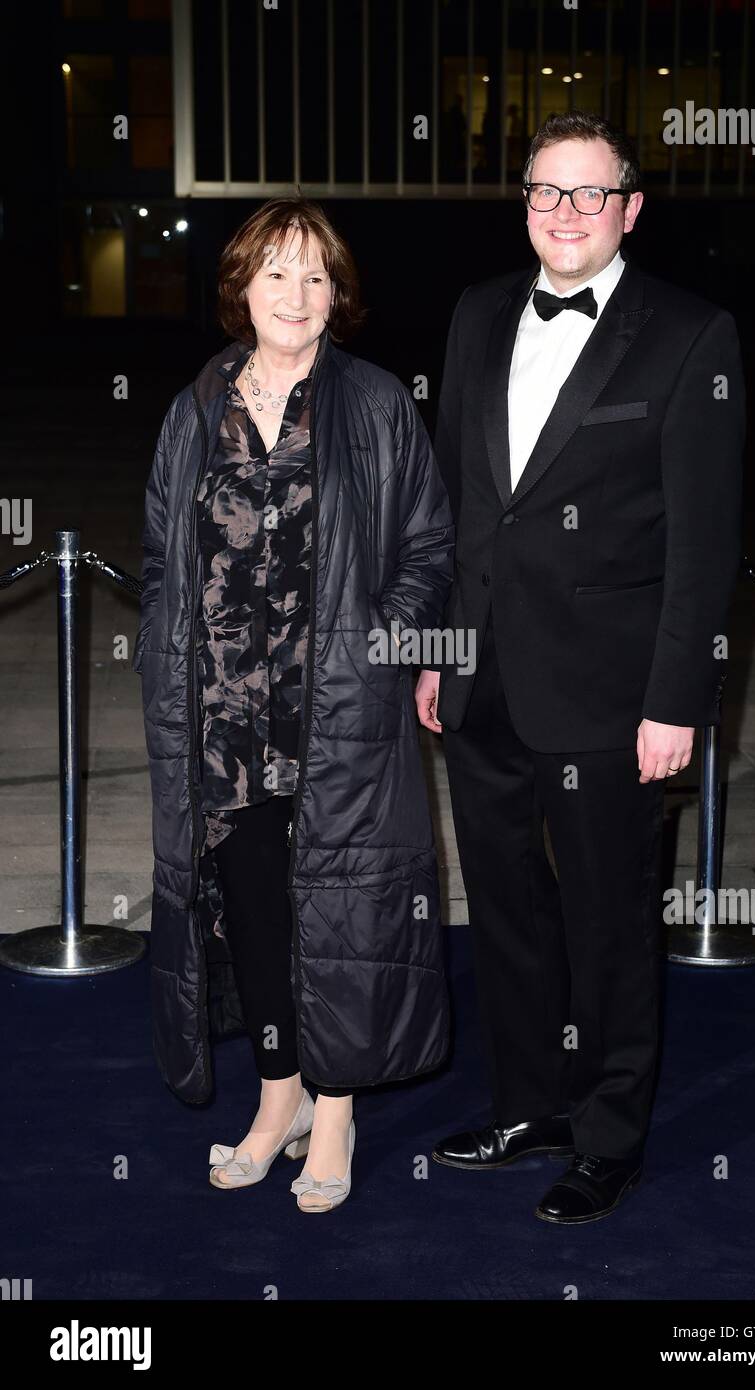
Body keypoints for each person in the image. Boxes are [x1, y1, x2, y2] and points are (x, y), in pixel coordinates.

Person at [416, 111, 744, 1224]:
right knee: (505, 909)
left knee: (609, 924)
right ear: (522, 204)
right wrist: (440, 652)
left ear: (629, 209)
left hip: (612, 697)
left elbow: (704, 547)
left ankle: (606, 1137)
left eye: (587, 194)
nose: (563, 213)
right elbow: (460, 507)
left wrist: (675, 702)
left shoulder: (690, 337)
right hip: (485, 682)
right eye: (544, 192)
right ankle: (526, 1104)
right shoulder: (472, 315)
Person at [134, 197, 454, 1212]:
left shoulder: (372, 405)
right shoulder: (193, 408)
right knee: (258, 913)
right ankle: (278, 1098)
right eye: (275, 272)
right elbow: (157, 561)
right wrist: (163, 660)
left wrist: (380, 649)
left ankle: (338, 1107)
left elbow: (427, 549)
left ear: (337, 295)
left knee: (344, 911)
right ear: (241, 287)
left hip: (336, 717)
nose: (295, 293)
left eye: (314, 275)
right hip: (223, 721)